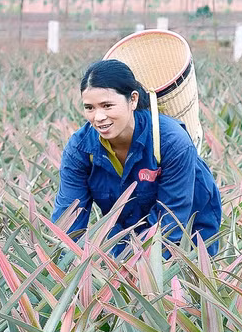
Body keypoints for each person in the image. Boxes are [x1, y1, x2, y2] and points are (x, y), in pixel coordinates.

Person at [52, 59, 222, 256]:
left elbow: (172, 222)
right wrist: (66, 264)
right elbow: (69, 218)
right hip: (126, 224)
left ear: (132, 100)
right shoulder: (80, 149)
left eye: (107, 105)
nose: (98, 117)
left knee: (179, 277)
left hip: (190, 221)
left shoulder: (171, 141)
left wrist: (138, 267)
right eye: (90, 108)